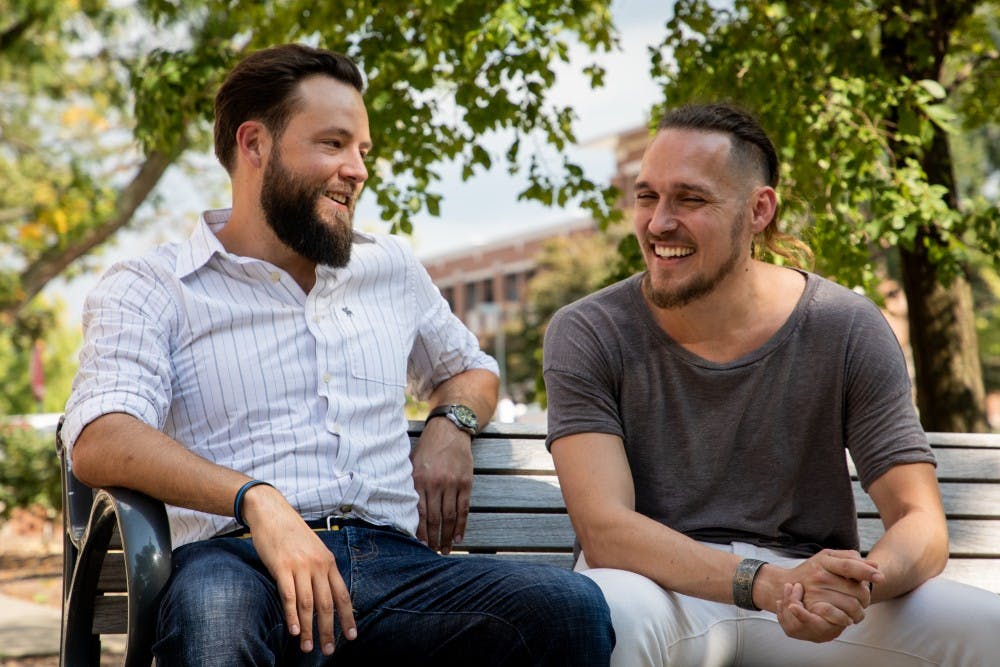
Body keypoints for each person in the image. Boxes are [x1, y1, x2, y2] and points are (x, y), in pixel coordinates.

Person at [63, 43, 613, 666]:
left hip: (396, 571)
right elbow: (102, 437)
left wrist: (450, 422)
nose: (358, 169)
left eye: (363, 151)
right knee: (215, 612)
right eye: (333, 143)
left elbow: (470, 370)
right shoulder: (152, 285)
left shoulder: (390, 268)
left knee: (569, 606)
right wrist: (258, 500)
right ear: (254, 145)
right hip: (238, 563)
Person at [542, 102, 1000, 666]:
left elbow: (920, 522)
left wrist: (854, 587)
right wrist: (764, 583)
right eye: (647, 196)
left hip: (803, 597)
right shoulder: (589, 330)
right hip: (659, 589)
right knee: (610, 612)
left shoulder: (845, 325)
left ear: (759, 210)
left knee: (988, 627)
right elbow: (606, 531)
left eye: (691, 199)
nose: (659, 222)